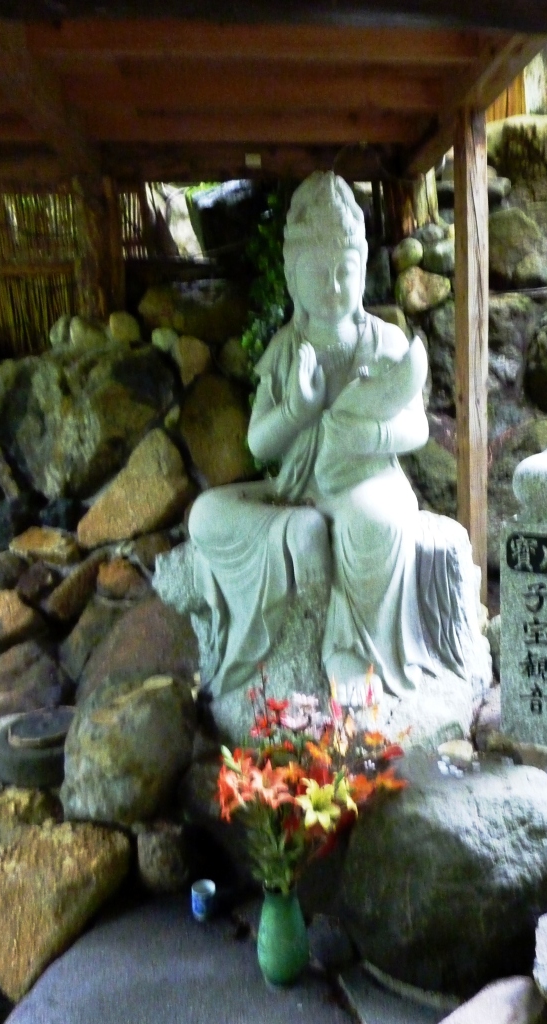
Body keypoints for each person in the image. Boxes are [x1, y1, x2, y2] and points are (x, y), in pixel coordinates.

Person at [187, 172, 440, 703]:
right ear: (291, 276)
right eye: (316, 273)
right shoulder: (286, 347)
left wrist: (368, 434)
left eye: (344, 272)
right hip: (295, 491)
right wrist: (295, 411)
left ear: (362, 269)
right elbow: (260, 446)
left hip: (365, 482)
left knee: (378, 522)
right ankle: (295, 537)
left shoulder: (384, 339)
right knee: (205, 514)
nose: (332, 287)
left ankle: (351, 649)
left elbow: (416, 426)